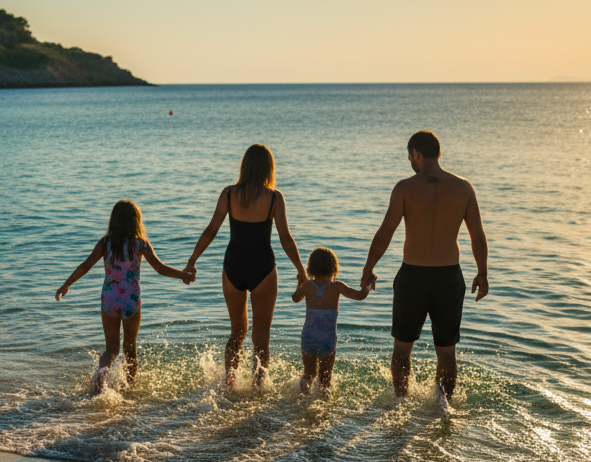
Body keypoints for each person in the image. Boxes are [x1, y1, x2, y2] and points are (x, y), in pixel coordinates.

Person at [360, 130, 488, 403]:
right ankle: (443, 406)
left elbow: (386, 232)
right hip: (448, 277)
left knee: (402, 350)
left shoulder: (405, 188)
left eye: (410, 157)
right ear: (438, 153)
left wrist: (368, 267)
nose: (411, 162)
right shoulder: (463, 188)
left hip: (413, 277)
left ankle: (400, 403)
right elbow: (477, 235)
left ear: (416, 154)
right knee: (446, 352)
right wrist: (482, 273)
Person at [185, 144, 307, 389]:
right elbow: (285, 238)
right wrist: (301, 271)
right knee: (261, 337)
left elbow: (211, 230)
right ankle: (258, 387)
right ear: (268, 168)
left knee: (237, 332)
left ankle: (229, 384)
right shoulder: (274, 197)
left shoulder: (229, 194)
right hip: (263, 269)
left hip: (233, 269)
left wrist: (192, 261)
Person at [56, 200, 195, 394]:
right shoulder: (140, 244)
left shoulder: (105, 243)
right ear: (135, 221)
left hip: (110, 300)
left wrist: (66, 284)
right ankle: (127, 390)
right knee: (130, 350)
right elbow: (160, 268)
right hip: (131, 301)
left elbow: (86, 264)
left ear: (113, 220)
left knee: (111, 350)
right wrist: (183, 275)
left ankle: (99, 382)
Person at [291, 247, 370, 393]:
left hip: (308, 337)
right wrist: (367, 285)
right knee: (325, 378)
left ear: (311, 267)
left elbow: (295, 298)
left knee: (308, 374)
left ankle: (302, 401)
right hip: (327, 339)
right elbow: (360, 296)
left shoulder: (308, 286)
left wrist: (300, 283)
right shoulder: (336, 286)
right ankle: (324, 406)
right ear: (333, 267)